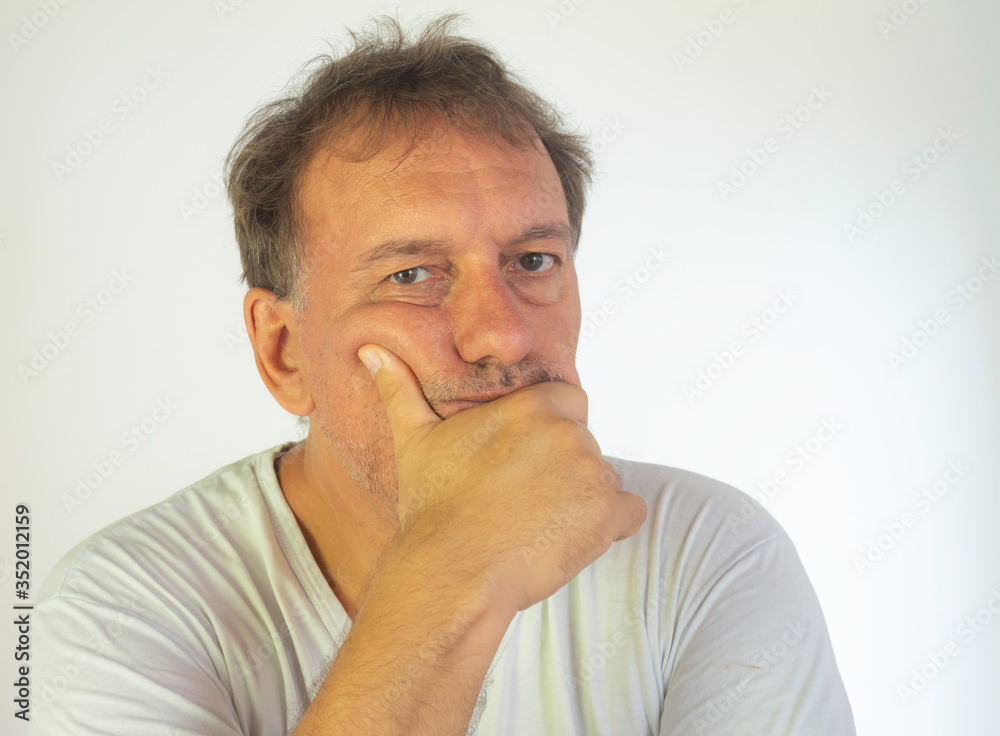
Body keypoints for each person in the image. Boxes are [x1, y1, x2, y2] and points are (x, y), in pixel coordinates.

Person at [34, 12, 856, 735]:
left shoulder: (708, 552)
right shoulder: (119, 611)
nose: (501, 333)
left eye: (532, 260)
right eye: (413, 275)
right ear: (283, 351)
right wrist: (456, 565)